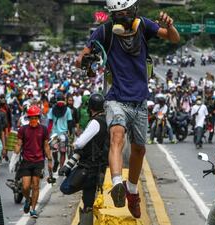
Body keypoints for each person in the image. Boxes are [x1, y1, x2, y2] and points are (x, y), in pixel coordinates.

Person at [76, 0, 180, 218]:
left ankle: (131, 191)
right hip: (116, 98)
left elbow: (173, 38)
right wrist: (88, 60)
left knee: (139, 149)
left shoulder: (143, 25)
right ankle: (116, 184)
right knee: (116, 135)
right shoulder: (104, 31)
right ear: (115, 15)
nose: (127, 15)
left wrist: (169, 25)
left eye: (128, 11)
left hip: (140, 100)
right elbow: (80, 59)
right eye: (122, 13)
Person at [59, 94, 108, 225]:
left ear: (90, 107)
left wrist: (73, 144)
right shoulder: (106, 121)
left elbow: (80, 144)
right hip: (98, 167)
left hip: (88, 167)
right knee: (88, 200)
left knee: (65, 187)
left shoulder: (95, 122)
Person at [15, 105, 52, 218]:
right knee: (25, 187)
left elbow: (46, 146)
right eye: (31, 118)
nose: (33, 120)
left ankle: (33, 209)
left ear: (38, 117)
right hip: (26, 161)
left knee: (36, 186)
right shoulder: (23, 129)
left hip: (39, 161)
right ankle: (28, 199)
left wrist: (50, 160)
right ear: (28, 118)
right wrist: (15, 149)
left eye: (35, 117)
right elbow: (19, 143)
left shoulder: (44, 129)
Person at [47, 94, 73, 173]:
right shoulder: (68, 110)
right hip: (63, 135)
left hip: (54, 134)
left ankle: (56, 161)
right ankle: (61, 168)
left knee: (54, 151)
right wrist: (70, 133)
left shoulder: (52, 110)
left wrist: (48, 133)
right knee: (63, 152)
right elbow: (70, 122)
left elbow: (50, 123)